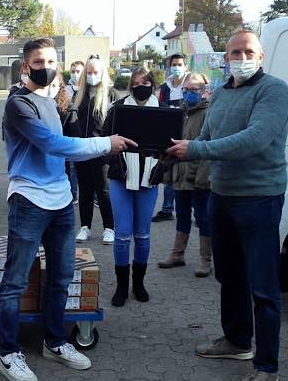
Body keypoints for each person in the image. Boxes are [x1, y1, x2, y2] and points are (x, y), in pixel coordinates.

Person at [0, 37, 136, 381]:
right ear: (25, 66)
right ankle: (8, 353)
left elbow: (65, 152)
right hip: (29, 201)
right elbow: (53, 145)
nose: (46, 67)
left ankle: (55, 341)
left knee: (61, 277)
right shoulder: (19, 104)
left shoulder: (50, 101)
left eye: (50, 61)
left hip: (60, 202)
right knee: (15, 281)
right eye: (38, 62)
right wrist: (106, 143)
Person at [167, 31, 288, 381]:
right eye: (235, 51)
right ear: (226, 57)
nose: (241, 57)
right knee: (230, 276)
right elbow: (204, 137)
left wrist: (197, 151)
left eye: (248, 51)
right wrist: (175, 148)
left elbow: (256, 139)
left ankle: (267, 367)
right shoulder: (220, 92)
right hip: (220, 195)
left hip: (259, 198)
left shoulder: (273, 90)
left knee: (264, 288)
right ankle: (237, 341)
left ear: (261, 56)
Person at [102, 68, 160, 307]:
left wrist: (162, 165)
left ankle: (139, 284)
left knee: (143, 234)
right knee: (123, 234)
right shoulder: (117, 109)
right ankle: (121, 287)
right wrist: (117, 161)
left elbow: (172, 145)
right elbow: (103, 142)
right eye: (136, 83)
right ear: (130, 86)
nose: (141, 86)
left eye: (145, 82)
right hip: (121, 177)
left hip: (149, 177)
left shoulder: (165, 111)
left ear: (153, 85)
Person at [158, 72, 213, 277]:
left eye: (194, 89)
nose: (190, 93)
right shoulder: (179, 112)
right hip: (179, 174)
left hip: (199, 175)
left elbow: (209, 146)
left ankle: (206, 260)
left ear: (204, 91)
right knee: (181, 215)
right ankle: (177, 254)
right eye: (186, 89)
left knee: (203, 218)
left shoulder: (209, 113)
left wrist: (203, 176)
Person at [71, 54, 118, 244]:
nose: (91, 75)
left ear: (102, 73)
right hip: (82, 149)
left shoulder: (111, 94)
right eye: (88, 72)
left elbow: (115, 122)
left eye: (95, 72)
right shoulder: (79, 94)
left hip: (102, 149)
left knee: (103, 190)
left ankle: (109, 228)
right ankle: (85, 227)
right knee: (85, 190)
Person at [151, 53, 188, 223]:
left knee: (187, 172)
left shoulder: (190, 84)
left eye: (180, 64)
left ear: (185, 66)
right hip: (170, 134)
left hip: (188, 133)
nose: (177, 67)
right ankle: (167, 209)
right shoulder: (165, 87)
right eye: (174, 64)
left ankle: (191, 210)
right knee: (168, 170)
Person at [54, 73, 80, 204]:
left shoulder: (68, 108)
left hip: (63, 151)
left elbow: (75, 133)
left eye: (54, 85)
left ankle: (71, 195)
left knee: (68, 171)